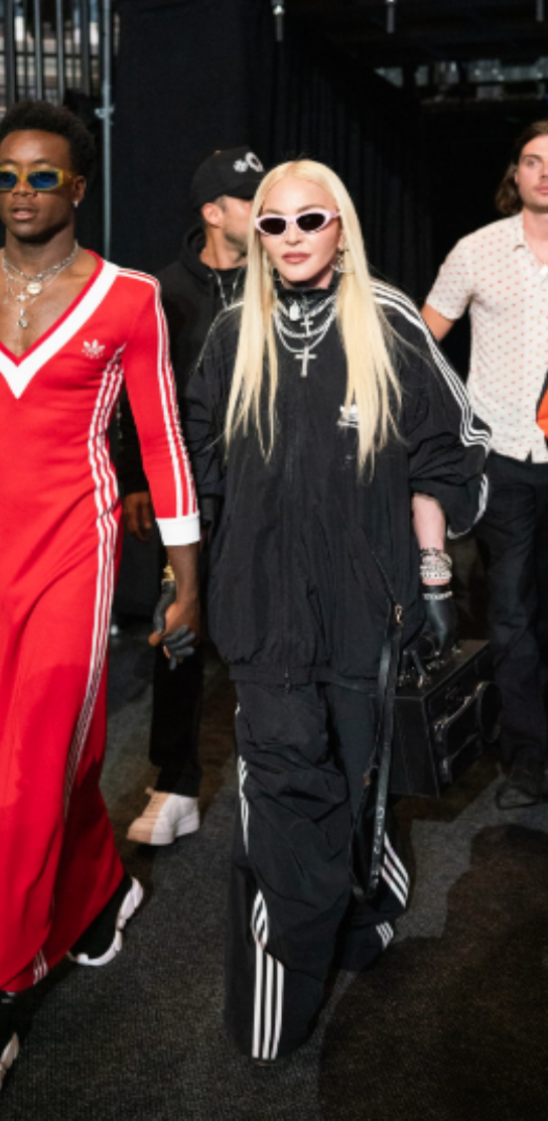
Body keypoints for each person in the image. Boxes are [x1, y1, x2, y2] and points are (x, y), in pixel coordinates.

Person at [0, 99, 200, 1101]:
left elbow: (161, 438)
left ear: (77, 185)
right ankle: (101, 891)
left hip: (79, 555)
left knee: (28, 769)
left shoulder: (128, 297)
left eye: (42, 175)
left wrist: (186, 575)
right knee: (12, 761)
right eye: (5, 175)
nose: (21, 191)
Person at [183, 159, 489, 1062]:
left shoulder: (388, 320)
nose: (291, 238)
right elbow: (198, 462)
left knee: (358, 780)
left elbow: (448, 450)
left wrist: (434, 576)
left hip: (370, 607)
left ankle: (365, 911)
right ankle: (279, 995)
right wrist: (188, 576)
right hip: (261, 613)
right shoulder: (232, 332)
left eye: (309, 220)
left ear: (341, 225)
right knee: (284, 795)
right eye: (272, 223)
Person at [120, 146, 264, 845]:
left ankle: (281, 775)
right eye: (248, 198)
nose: (263, 209)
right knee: (177, 627)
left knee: (278, 629)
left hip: (270, 489)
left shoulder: (284, 277)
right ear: (213, 211)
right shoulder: (164, 291)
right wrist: (136, 478)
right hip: (188, 490)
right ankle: (175, 782)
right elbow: (133, 392)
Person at [423, 120, 548, 806]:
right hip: (503, 455)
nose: (545, 172)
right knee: (510, 608)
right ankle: (528, 756)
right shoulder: (477, 250)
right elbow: (423, 341)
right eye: (533, 160)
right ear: (515, 174)